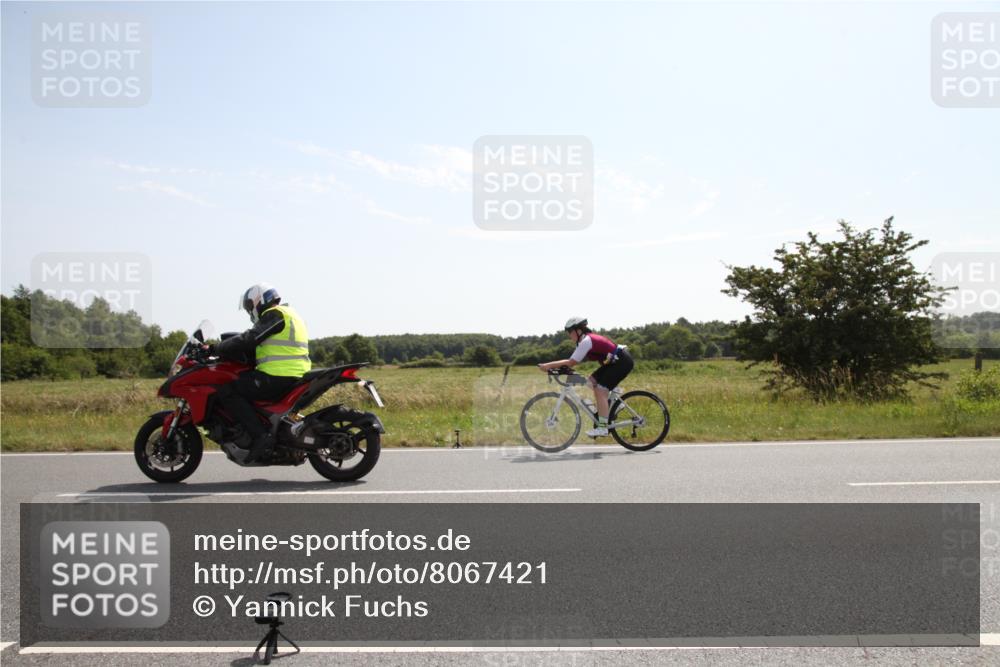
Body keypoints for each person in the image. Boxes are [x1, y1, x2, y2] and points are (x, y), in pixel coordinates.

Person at [210, 283, 311, 462]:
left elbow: (250, 338)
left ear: (260, 300)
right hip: (293, 374)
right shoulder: (290, 314)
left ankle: (260, 436)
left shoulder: (275, 314)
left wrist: (216, 348)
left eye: (250, 305)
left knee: (228, 390)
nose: (250, 311)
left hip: (278, 376)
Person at [537, 317, 634, 437]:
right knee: (591, 381)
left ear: (578, 331)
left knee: (600, 390)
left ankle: (603, 428)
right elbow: (593, 360)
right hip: (615, 362)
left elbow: (571, 362)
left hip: (622, 361)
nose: (569, 335)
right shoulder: (584, 341)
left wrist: (547, 365)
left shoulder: (586, 341)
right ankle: (613, 404)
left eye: (570, 332)